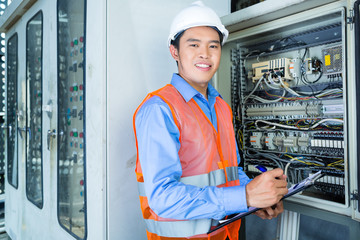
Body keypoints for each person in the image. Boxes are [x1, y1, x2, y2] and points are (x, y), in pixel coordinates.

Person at [133, 1, 288, 240]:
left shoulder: (221, 107)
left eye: (213, 46)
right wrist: (245, 196)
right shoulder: (159, 109)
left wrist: (258, 199)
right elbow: (163, 198)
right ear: (174, 51)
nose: (205, 54)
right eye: (194, 44)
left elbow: (230, 172)